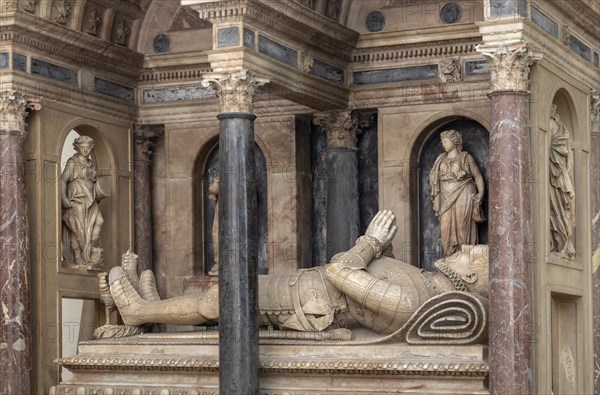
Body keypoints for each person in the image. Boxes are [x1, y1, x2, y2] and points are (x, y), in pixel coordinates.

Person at [107, 211, 489, 336]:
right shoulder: (421, 285)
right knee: (223, 296)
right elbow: (367, 272)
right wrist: (379, 248)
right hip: (308, 286)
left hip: (309, 299)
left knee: (220, 299)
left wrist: (371, 242)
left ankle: (139, 313)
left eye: (472, 255)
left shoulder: (413, 303)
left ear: (469, 280)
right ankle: (152, 312)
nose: (465, 247)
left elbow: (341, 269)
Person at [429, 130, 485, 257]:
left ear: (454, 141)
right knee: (445, 228)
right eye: (442, 142)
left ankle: (465, 260)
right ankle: (449, 259)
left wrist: (480, 194)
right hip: (445, 196)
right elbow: (434, 178)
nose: (443, 144)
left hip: (463, 193)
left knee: (462, 226)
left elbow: (477, 176)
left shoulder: (466, 157)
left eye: (446, 141)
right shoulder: (440, 159)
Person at [62, 135, 105, 268]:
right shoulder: (72, 162)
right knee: (77, 227)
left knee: (99, 221)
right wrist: (63, 197)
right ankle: (78, 256)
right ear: (77, 147)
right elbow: (63, 180)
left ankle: (88, 249)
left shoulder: (91, 164)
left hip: (91, 199)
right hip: (77, 196)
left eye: (88, 147)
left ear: (91, 148)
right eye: (82, 147)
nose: (85, 150)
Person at [549, 106, 575, 258]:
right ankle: (562, 243)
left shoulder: (552, 125)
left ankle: (562, 245)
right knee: (558, 210)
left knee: (558, 209)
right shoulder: (556, 127)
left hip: (557, 176)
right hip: (556, 176)